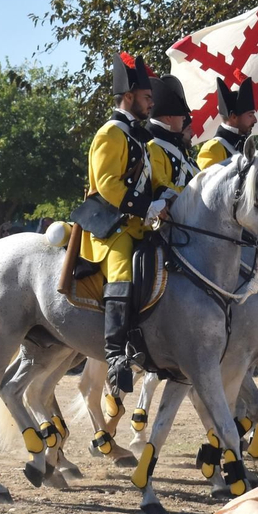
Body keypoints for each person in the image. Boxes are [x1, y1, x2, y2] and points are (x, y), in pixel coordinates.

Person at [81, 52, 170, 394]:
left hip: (140, 224)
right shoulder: (111, 133)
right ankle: (116, 353)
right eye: (147, 98)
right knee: (122, 270)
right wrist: (147, 206)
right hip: (110, 227)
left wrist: (167, 197)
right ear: (129, 96)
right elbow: (107, 184)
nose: (151, 105)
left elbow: (151, 178)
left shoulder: (138, 137)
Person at [147, 75, 198, 190]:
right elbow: (161, 186)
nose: (184, 118)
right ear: (169, 117)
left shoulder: (176, 145)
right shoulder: (153, 147)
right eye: (181, 115)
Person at [196, 74, 258, 169]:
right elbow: (205, 183)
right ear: (233, 117)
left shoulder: (246, 146)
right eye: (250, 115)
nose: (255, 120)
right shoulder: (212, 149)